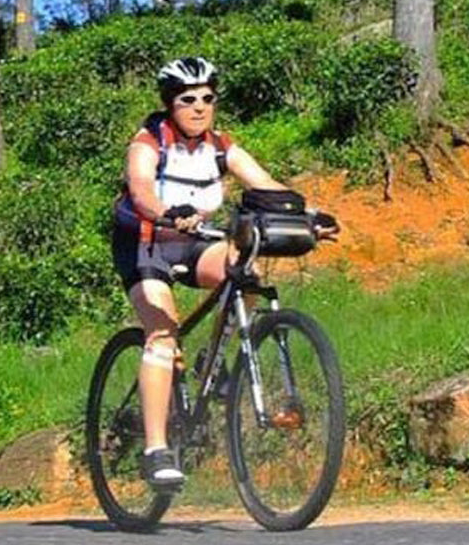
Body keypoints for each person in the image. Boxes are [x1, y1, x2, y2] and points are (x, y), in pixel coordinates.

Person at [112, 56, 338, 489]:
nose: (199, 107)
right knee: (162, 335)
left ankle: (214, 366)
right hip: (146, 241)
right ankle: (156, 450)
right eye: (188, 99)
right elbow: (140, 190)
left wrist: (310, 215)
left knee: (244, 268)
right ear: (170, 104)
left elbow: (266, 185)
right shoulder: (148, 141)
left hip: (195, 240)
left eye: (208, 99)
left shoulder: (221, 146)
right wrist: (165, 211)